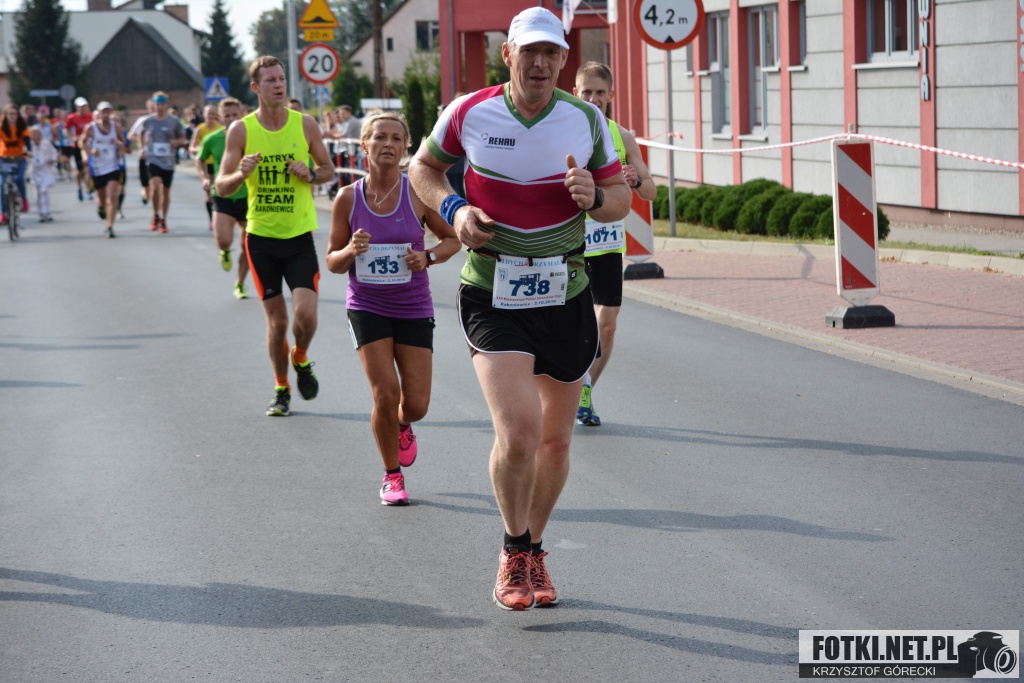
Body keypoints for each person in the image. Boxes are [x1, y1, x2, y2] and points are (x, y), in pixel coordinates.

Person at [409, 6, 630, 610]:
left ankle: (534, 547)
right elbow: (423, 168)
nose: (540, 63)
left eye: (551, 52)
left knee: (555, 441)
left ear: (563, 59)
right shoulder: (468, 111)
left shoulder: (585, 118)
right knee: (520, 432)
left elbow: (620, 198)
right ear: (507, 55)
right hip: (493, 289)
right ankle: (512, 549)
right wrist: (454, 209)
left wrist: (596, 195)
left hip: (567, 289)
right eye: (528, 51)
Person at [325, 112, 460, 505]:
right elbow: (332, 261)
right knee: (385, 393)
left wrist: (428, 257)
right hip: (367, 305)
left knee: (415, 404)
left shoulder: (417, 192)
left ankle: (402, 424)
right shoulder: (347, 198)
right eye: (380, 137)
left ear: (405, 148)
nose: (388, 144)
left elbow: (452, 240)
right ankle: (391, 475)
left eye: (396, 138)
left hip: (413, 305)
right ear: (364, 144)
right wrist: (351, 250)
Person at [216, 55, 335, 417]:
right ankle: (281, 389)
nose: (279, 85)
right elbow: (221, 186)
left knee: (306, 317)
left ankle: (301, 357)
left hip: (298, 237)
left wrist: (309, 174)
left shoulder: (305, 124)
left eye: (281, 78)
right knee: (278, 322)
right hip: (261, 240)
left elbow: (328, 169)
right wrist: (241, 174)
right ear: (256, 87)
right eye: (270, 80)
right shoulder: (241, 130)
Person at [573, 61, 657, 426]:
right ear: (575, 93)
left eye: (600, 93)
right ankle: (563, 388)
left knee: (606, 325)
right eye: (586, 92)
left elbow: (651, 191)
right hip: (570, 242)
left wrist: (635, 179)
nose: (593, 99)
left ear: (611, 95)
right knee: (571, 324)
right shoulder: (561, 131)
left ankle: (585, 390)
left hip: (606, 243)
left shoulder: (621, 137)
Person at [197, 97, 251, 299]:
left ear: (242, 115)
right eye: (227, 115)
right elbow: (200, 160)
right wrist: (204, 177)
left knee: (248, 246)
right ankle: (225, 251)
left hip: (248, 197)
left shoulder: (252, 137)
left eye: (234, 115)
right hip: (223, 195)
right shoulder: (213, 139)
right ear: (220, 117)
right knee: (224, 240)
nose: (231, 118)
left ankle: (240, 283)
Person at [140, 92, 185, 232]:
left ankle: (163, 219)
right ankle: (155, 214)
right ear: (154, 105)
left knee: (165, 191)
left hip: (168, 161)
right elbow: (141, 133)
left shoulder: (174, 121)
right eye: (158, 104)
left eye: (162, 104)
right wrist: (142, 148)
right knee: (155, 186)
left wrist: (177, 142)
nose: (160, 107)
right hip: (153, 159)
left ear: (166, 105)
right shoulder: (148, 121)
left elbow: (183, 137)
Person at [81, 102, 126, 238]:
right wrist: (90, 151)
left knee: (112, 196)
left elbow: (123, 142)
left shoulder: (116, 127)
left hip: (112, 166)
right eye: (103, 112)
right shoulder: (91, 128)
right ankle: (101, 207)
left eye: (108, 111)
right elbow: (82, 142)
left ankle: (109, 226)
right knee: (102, 199)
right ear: (98, 113)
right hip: (97, 168)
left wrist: (120, 149)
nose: (106, 114)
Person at [189, 104, 222, 229]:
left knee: (218, 192)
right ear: (204, 115)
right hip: (205, 164)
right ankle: (212, 219)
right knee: (210, 193)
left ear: (216, 115)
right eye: (208, 113)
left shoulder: (220, 128)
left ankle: (219, 217)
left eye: (213, 113)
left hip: (218, 164)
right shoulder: (200, 129)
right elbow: (192, 147)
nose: (211, 116)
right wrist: (201, 149)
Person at [0, 105, 31, 224]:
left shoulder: (22, 127)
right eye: (10, 114)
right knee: (2, 184)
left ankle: (23, 199)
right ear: (5, 115)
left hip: (19, 157)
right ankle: (3, 212)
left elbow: (27, 141)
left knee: (18, 179)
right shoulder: (1, 127)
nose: (12, 116)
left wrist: (29, 150)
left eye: (14, 113)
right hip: (4, 158)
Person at [64, 97, 94, 201]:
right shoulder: (72, 118)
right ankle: (79, 187)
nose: (83, 108)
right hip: (77, 146)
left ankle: (88, 190)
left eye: (85, 106)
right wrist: (73, 137)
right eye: (81, 107)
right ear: (77, 107)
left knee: (88, 168)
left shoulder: (91, 116)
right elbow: (65, 131)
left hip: (89, 146)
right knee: (80, 170)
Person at [128, 99, 156, 205]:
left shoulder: (164, 121)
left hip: (158, 156)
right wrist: (142, 141)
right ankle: (145, 191)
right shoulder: (143, 120)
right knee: (146, 184)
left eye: (155, 106)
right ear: (148, 108)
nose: (153, 109)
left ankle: (155, 202)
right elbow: (131, 135)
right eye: (151, 107)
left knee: (156, 181)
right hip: (145, 154)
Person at [28, 125, 57, 222]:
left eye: (37, 134)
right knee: (38, 193)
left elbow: (54, 152)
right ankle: (41, 212)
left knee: (44, 190)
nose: (35, 136)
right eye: (33, 134)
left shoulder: (46, 143)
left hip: (46, 169)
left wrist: (52, 159)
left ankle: (47, 211)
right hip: (34, 170)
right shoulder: (28, 145)